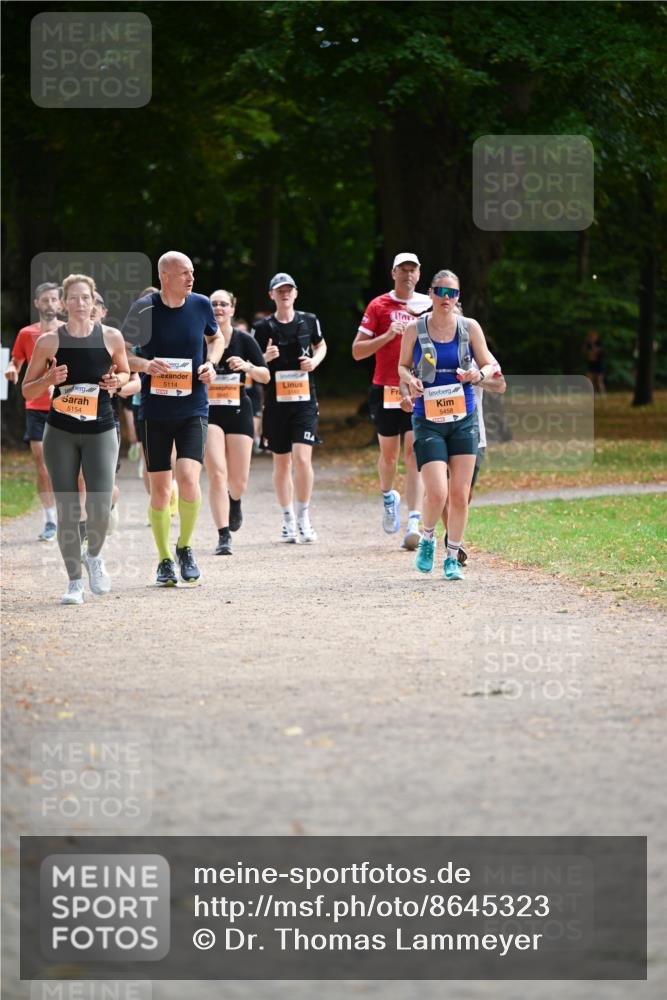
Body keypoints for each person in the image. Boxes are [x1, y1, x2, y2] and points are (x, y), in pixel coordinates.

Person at [21, 274, 130, 604]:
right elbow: (27, 389)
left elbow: (125, 373)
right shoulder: (49, 342)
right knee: (68, 510)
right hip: (61, 432)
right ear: (64, 303)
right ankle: (73, 583)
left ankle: (93, 555)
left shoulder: (111, 337)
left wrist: (116, 383)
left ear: (94, 301)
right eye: (73, 298)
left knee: (98, 508)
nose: (80, 303)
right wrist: (49, 378)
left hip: (101, 429)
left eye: (86, 297)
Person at [122, 251, 223, 586]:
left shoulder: (201, 304)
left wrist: (212, 363)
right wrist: (145, 365)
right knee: (161, 488)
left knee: (189, 477)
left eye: (192, 272)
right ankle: (164, 558)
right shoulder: (144, 309)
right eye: (183, 273)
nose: (191, 278)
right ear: (164, 276)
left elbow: (216, 337)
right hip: (155, 410)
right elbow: (121, 351)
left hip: (194, 405)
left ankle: (185, 546)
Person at [398, 269, 496, 581]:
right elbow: (401, 365)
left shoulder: (470, 328)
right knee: (437, 493)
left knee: (460, 494)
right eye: (440, 291)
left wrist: (477, 376)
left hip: (464, 418)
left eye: (452, 293)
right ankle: (428, 539)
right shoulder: (415, 329)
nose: (446, 298)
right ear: (430, 293)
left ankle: (452, 556)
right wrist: (410, 378)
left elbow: (489, 365)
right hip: (428, 419)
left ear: (458, 297)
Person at [352, 252, 430, 550]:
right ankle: (388, 496)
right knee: (389, 456)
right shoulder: (378, 305)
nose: (408, 275)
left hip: (418, 387)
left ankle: (413, 520)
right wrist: (387, 335)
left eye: (413, 270)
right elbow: (357, 351)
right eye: (403, 270)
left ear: (419, 274)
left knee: (414, 453)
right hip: (385, 387)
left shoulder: (427, 305)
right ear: (393, 272)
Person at [253, 273, 327, 543]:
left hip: (305, 399)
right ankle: (287, 520)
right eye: (279, 290)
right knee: (281, 462)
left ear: (296, 293)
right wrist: (264, 358)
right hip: (276, 401)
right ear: (271, 295)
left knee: (303, 458)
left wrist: (314, 362)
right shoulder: (262, 328)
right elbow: (253, 367)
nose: (285, 294)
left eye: (289, 290)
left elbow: (321, 346)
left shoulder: (309, 320)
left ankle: (304, 515)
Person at [205, 289, 269, 555]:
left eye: (223, 304)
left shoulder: (244, 340)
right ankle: (223, 535)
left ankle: (236, 499)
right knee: (217, 472)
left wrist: (248, 367)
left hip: (239, 410)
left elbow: (265, 375)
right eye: (213, 304)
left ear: (232, 309)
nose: (218, 308)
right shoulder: (200, 340)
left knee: (238, 480)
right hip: (209, 412)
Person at [4, 282, 62, 540]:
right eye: (45, 300)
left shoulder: (70, 332)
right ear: (37, 304)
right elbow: (16, 361)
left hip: (67, 406)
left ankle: (75, 516)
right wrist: (12, 370)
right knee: (43, 465)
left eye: (54, 300)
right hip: (36, 408)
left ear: (61, 304)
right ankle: (50, 520)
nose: (50, 304)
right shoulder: (26, 334)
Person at [583, 330, 606, 395]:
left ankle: (603, 394)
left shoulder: (600, 344)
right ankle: (593, 393)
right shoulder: (587, 344)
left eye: (593, 336)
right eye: (591, 336)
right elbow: (584, 351)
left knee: (599, 380)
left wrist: (592, 344)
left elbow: (596, 351)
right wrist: (587, 342)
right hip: (591, 364)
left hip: (599, 364)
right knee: (589, 379)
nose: (592, 338)